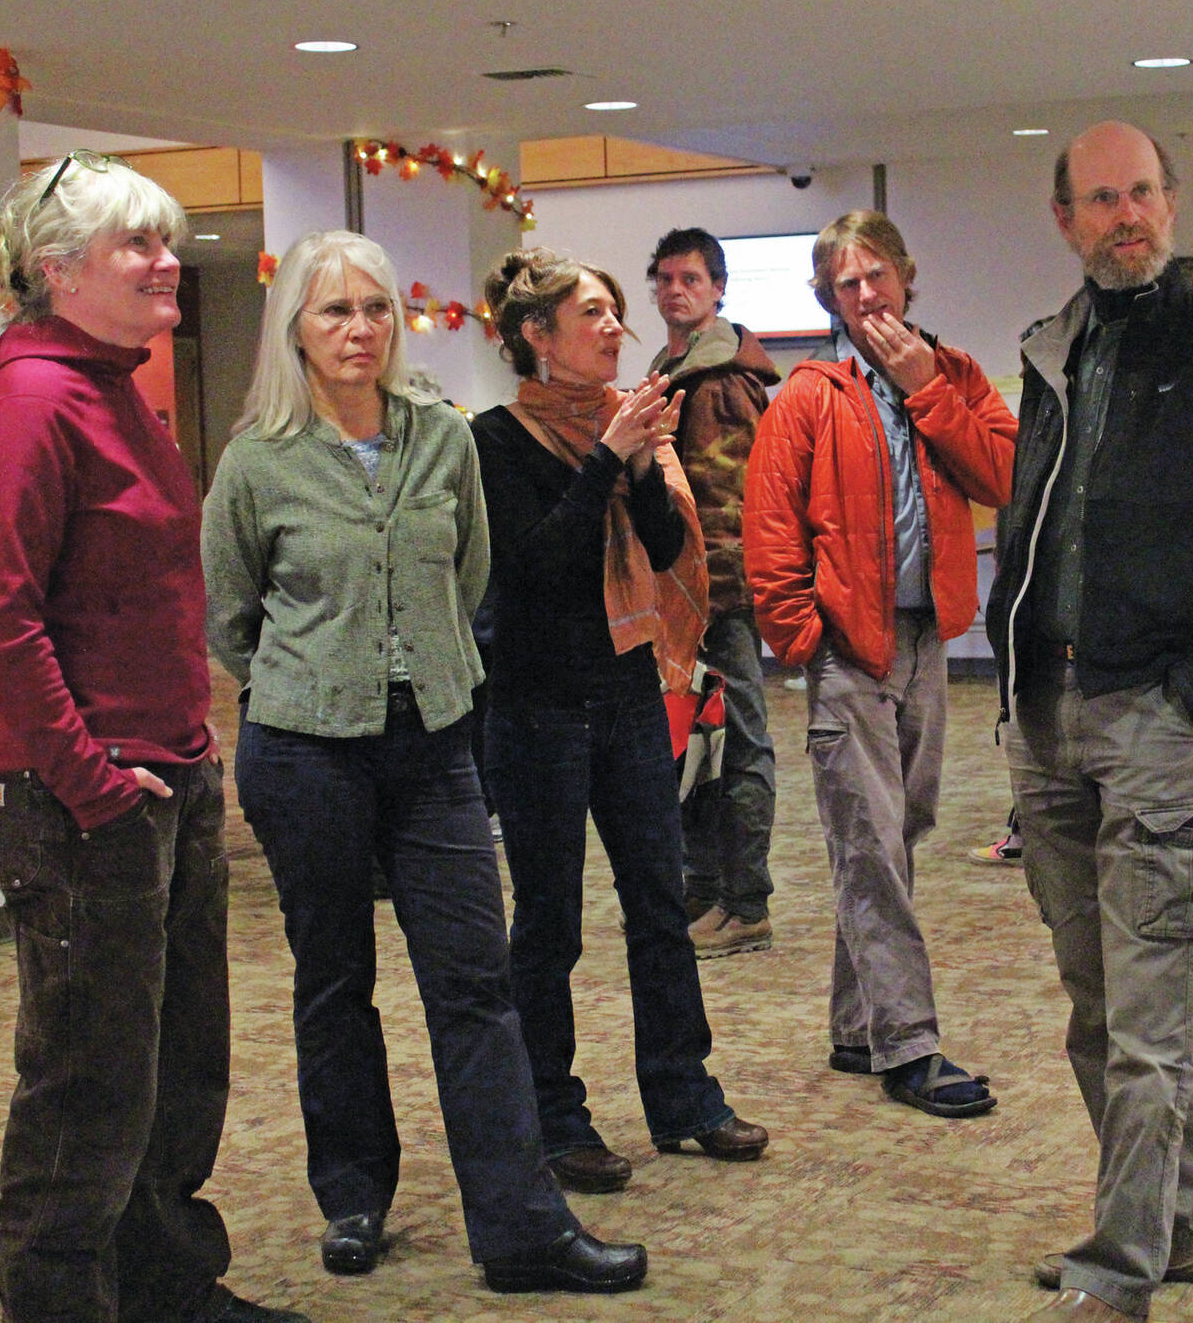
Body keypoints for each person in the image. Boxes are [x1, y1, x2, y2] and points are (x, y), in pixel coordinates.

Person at [201, 231, 646, 1295]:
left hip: (436, 743)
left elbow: (471, 576)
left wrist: (420, 671)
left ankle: (521, 1225)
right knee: (334, 976)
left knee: (474, 981)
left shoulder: (439, 441)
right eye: (332, 312)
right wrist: (306, 681)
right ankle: (353, 1191)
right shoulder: (257, 460)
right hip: (305, 749)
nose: (359, 330)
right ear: (295, 333)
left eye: (375, 309)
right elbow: (230, 618)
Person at [0, 150, 308, 1323]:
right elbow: (0, 617)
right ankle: (62, 1301)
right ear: (58, 273)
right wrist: (93, 778)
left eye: (167, 239)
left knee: (177, 1062)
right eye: (138, 246)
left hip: (164, 779)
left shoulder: (109, 385)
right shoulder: (34, 403)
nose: (170, 263)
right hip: (85, 799)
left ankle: (163, 1281)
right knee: (87, 1082)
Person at [986, 121, 1193, 1322]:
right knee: (1098, 1005)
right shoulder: (1048, 355)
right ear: (1065, 219)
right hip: (1047, 713)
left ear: (1172, 204)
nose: (1126, 216)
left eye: (1143, 194)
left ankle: (1122, 1265)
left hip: (1151, 717)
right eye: (1100, 199)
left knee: (1149, 1018)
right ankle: (1185, 1227)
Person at [473, 247, 768, 1197]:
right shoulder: (494, 440)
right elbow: (536, 568)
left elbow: (671, 544)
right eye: (591, 314)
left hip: (631, 688)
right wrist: (610, 456)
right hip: (537, 706)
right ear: (536, 336)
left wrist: (638, 460)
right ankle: (555, 1119)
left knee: (658, 904)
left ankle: (685, 1098)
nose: (614, 327)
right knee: (549, 921)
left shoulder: (630, 424)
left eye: (612, 312)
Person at [746, 210, 1015, 1117]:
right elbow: (772, 529)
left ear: (906, 277)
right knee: (868, 840)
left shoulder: (955, 374)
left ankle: (857, 1025)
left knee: (899, 832)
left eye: (878, 277)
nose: (866, 296)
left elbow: (1005, 477)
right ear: (828, 297)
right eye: (846, 284)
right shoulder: (807, 396)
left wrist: (926, 389)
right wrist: (803, 640)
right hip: (847, 650)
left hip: (928, 639)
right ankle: (910, 1044)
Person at [644, 227, 782, 959]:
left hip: (717, 596)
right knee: (695, 742)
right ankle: (702, 890)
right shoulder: (675, 367)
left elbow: (727, 503)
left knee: (738, 743)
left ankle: (744, 902)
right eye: (664, 278)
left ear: (718, 286)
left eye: (690, 277)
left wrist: (713, 601)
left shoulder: (719, 379)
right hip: (682, 599)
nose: (676, 289)